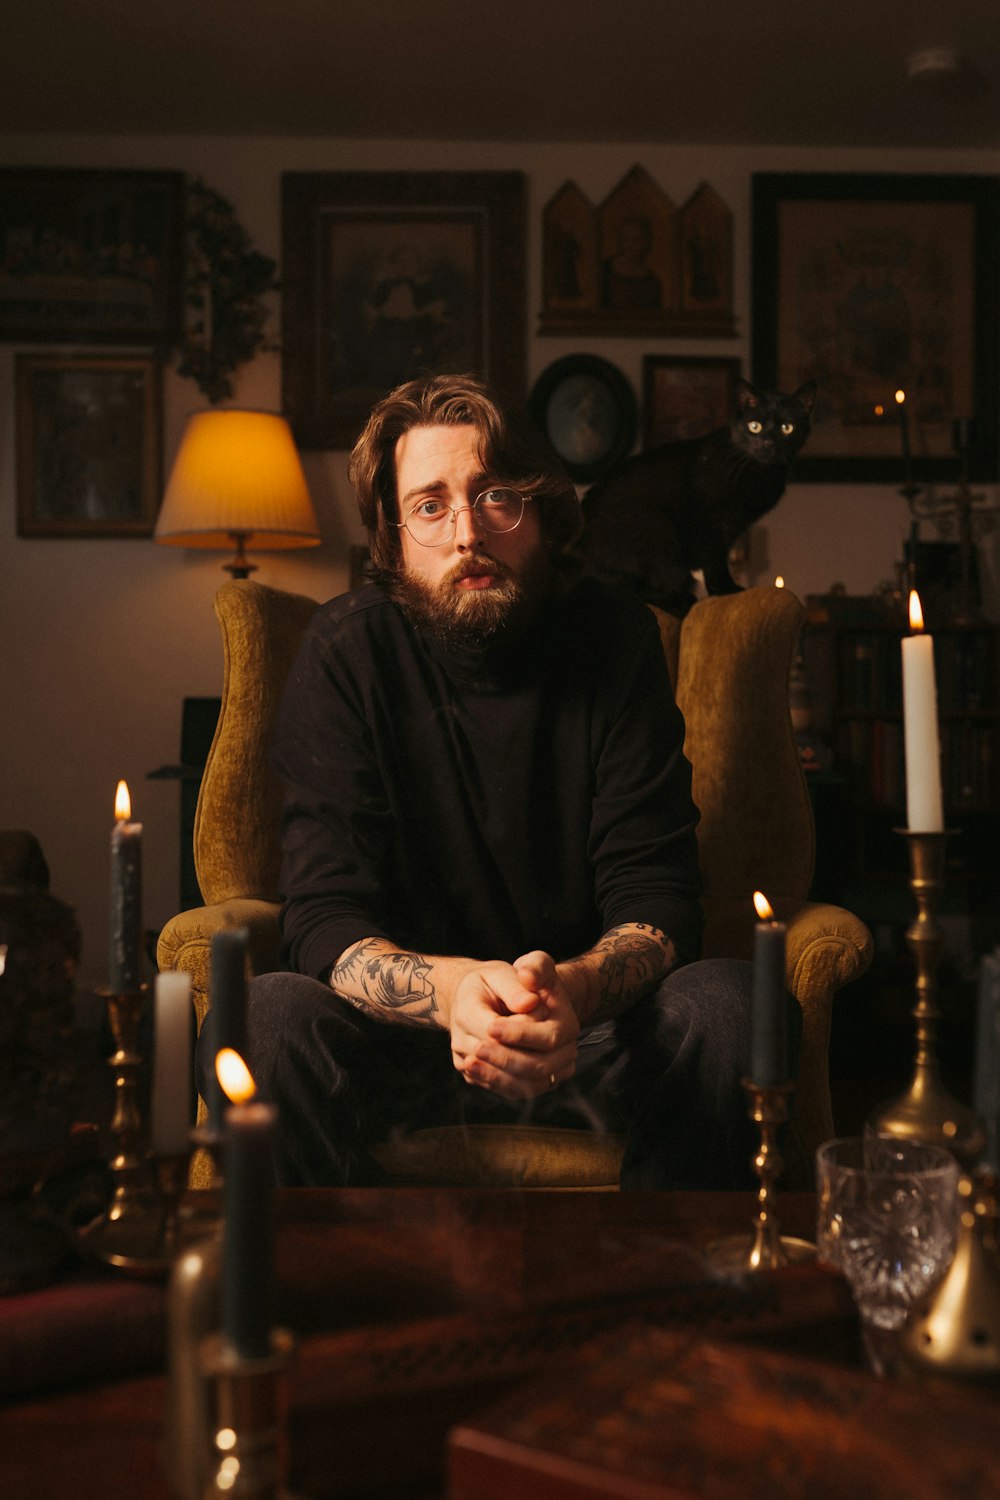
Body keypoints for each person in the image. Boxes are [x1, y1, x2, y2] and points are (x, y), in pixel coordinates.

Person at [218, 373, 782, 1188]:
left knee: (730, 1004)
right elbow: (322, 919)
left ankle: (673, 1299)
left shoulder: (616, 638)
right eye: (431, 505)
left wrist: (572, 995)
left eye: (495, 497)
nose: (466, 535)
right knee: (266, 1017)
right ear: (394, 534)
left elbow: (657, 898)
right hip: (402, 1051)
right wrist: (455, 995)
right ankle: (327, 1305)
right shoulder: (348, 654)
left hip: (588, 1041)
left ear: (543, 511)